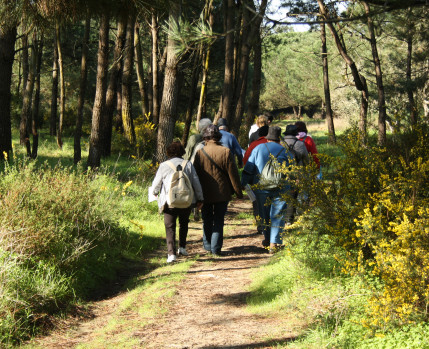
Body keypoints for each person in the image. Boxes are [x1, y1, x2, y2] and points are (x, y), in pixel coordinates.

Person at [193, 125, 243, 256]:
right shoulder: (226, 151)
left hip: (204, 193)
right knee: (219, 220)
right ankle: (216, 249)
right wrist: (238, 192)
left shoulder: (200, 153)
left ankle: (208, 245)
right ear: (218, 137)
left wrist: (195, 194)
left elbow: (195, 175)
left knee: (207, 218)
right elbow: (233, 174)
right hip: (222, 192)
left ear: (205, 137)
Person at [151, 141, 204, 263]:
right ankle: (182, 247)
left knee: (170, 226)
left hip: (169, 202)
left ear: (168, 152)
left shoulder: (164, 165)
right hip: (186, 201)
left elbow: (156, 184)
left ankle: (171, 254)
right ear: (182, 152)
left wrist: (155, 192)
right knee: (184, 223)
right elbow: (196, 183)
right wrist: (200, 199)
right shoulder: (188, 164)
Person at [241, 126, 291, 253]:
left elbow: (249, 168)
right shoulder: (285, 151)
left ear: (267, 138)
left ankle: (267, 239)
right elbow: (292, 171)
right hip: (281, 187)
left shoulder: (258, 148)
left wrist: (242, 184)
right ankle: (274, 243)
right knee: (278, 215)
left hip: (261, 187)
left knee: (264, 214)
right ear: (279, 139)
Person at [282, 124, 309, 225]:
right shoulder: (300, 144)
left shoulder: (280, 143)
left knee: (282, 195)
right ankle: (289, 219)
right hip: (296, 173)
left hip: (282, 172)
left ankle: (281, 217)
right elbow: (307, 160)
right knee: (293, 195)